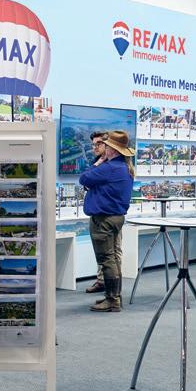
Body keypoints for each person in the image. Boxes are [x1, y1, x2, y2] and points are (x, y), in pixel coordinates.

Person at [79, 130, 135, 312]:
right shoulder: (124, 167)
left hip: (103, 220)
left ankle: (112, 300)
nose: (103, 148)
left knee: (106, 259)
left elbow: (84, 178)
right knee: (112, 258)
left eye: (106, 145)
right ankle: (114, 296)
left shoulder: (109, 168)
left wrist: (98, 163)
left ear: (113, 149)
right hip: (115, 218)